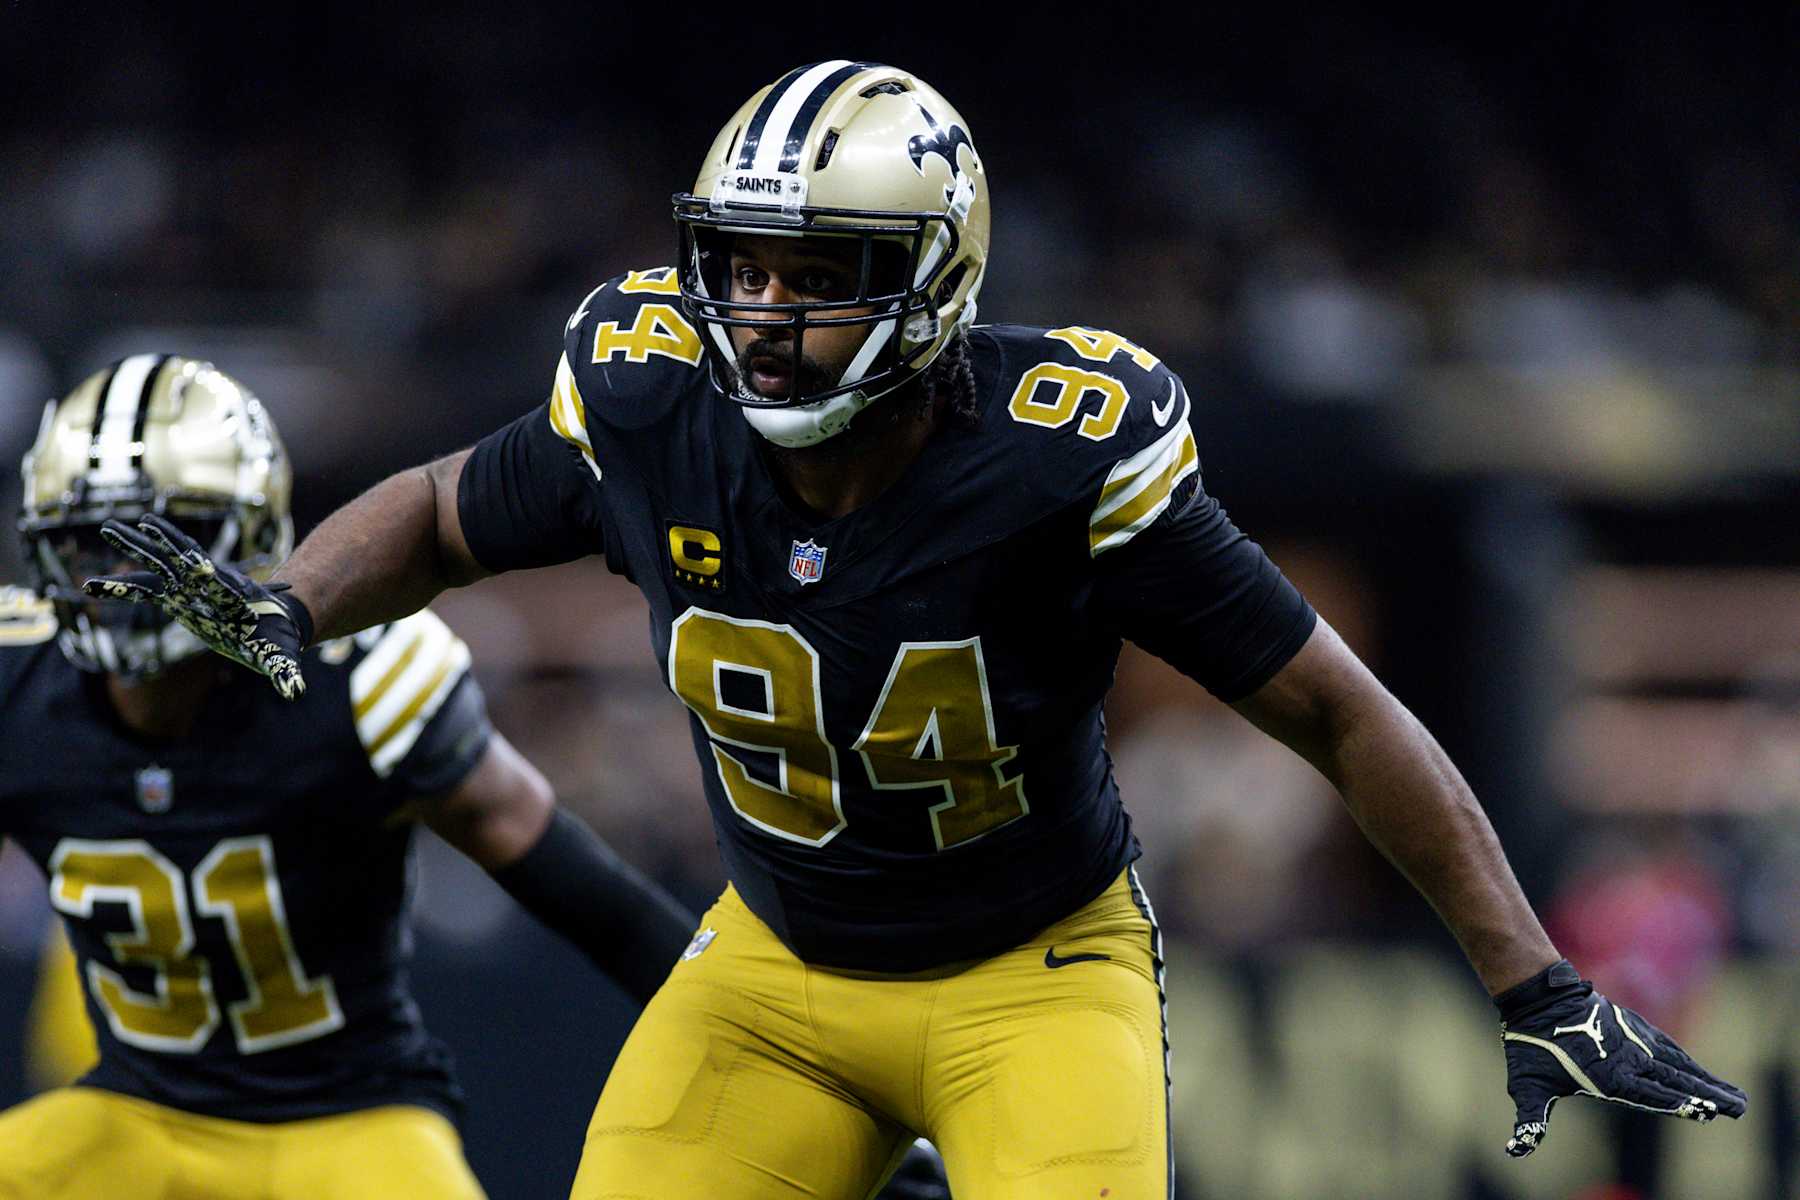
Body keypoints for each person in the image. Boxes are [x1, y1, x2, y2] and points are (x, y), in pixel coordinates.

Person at [91, 64, 1745, 1198]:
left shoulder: (1054, 456)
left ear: (931, 283)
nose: (757, 316)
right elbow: (445, 514)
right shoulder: (656, 404)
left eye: (812, 275)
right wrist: (264, 613)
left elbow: (1334, 710)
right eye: (736, 271)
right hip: (771, 968)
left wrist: (1532, 978)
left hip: (1032, 979)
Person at [0, 355, 704, 1199]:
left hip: (350, 1121)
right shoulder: (18, 679)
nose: (122, 587)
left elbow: (598, 903)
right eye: (88, 547)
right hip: (136, 1112)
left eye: (167, 542)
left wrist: (762, 1052)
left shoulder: (354, 681)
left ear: (252, 538)